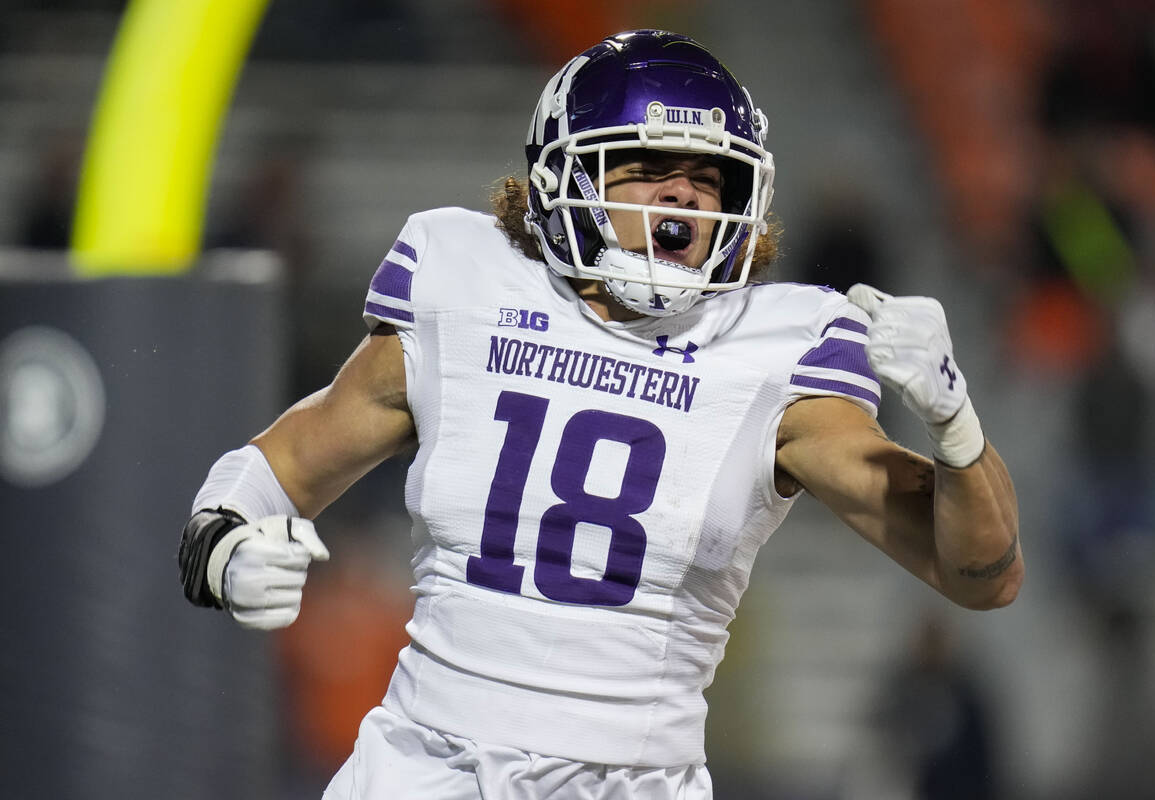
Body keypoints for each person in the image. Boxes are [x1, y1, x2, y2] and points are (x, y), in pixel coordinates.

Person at [177, 30, 1023, 799]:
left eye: (710, 176)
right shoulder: (467, 286)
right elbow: (280, 467)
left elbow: (981, 574)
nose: (686, 198)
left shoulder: (775, 348)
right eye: (653, 166)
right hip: (427, 765)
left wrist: (955, 425)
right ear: (568, 176)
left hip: (633, 782)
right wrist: (220, 547)